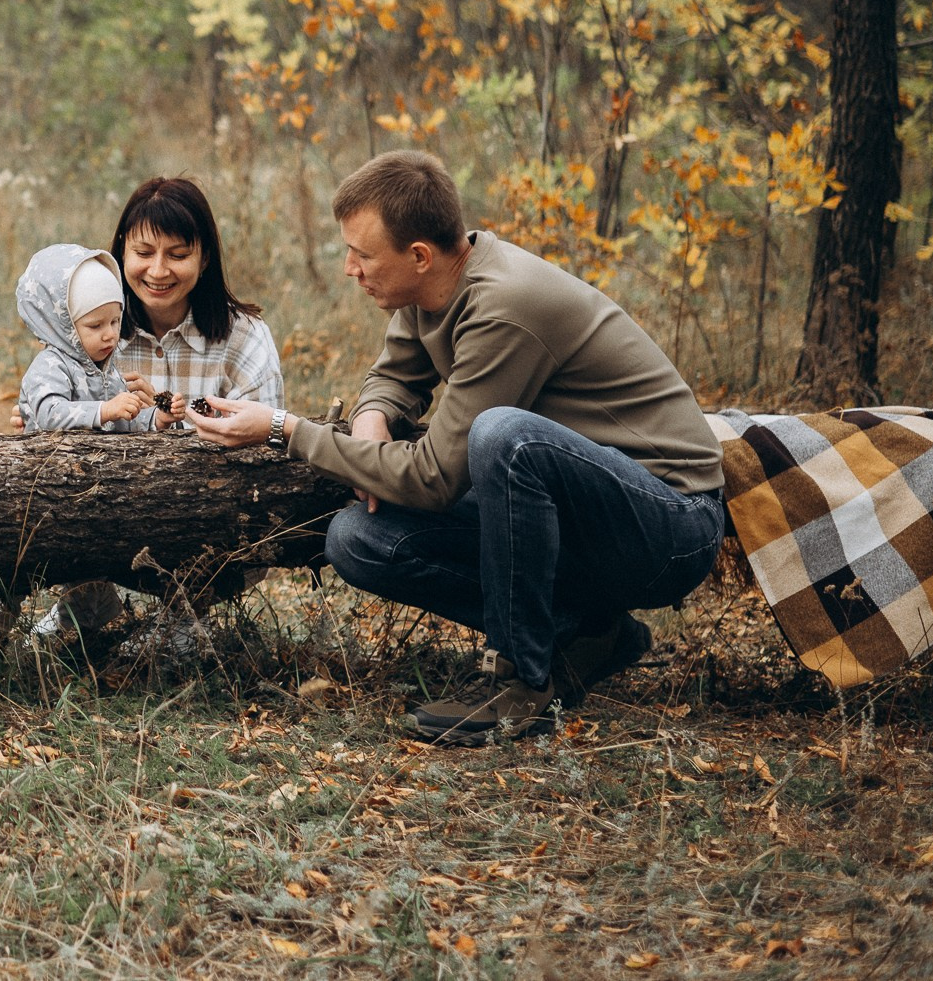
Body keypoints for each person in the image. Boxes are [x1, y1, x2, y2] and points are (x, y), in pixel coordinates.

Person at [187, 150, 726, 746]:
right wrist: (370, 421)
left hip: (666, 528)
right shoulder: (432, 288)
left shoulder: (504, 306)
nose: (349, 269)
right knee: (358, 540)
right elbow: (394, 376)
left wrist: (284, 428)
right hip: (580, 522)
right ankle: (586, 633)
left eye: (362, 255)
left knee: (504, 437)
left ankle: (521, 679)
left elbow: (434, 479)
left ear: (419, 256)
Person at [110, 177, 285, 421]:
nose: (158, 271)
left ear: (204, 259)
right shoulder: (89, 332)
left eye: (178, 255)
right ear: (122, 252)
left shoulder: (244, 338)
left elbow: (261, 445)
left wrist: (163, 422)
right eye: (143, 253)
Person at [15, 244, 161, 433]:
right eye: (95, 326)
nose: (110, 334)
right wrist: (105, 410)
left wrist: (156, 419)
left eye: (115, 321)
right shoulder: (50, 366)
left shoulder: (107, 370)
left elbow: (121, 422)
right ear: (63, 327)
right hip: (50, 460)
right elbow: (49, 414)